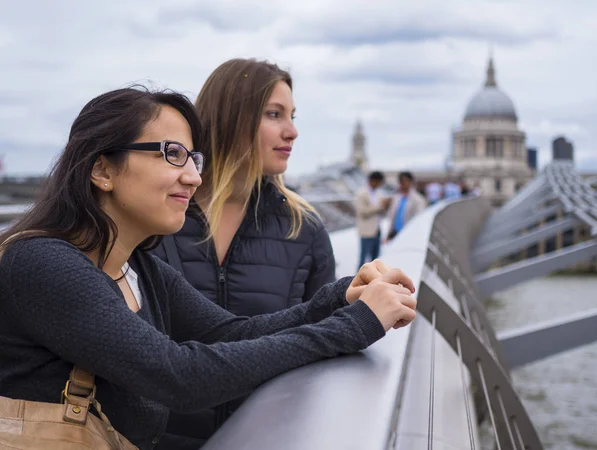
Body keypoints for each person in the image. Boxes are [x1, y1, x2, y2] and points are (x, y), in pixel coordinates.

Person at [0, 87, 418, 450]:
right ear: (102, 170)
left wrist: (340, 300)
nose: (194, 177)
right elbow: (179, 376)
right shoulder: (41, 263)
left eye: (194, 159)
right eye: (173, 155)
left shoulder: (138, 268)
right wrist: (354, 326)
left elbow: (231, 332)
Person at [151, 59, 337, 445]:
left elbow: (321, 347)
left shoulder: (304, 229)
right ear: (229, 118)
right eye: (274, 114)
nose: (292, 131)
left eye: (292, 115)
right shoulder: (156, 220)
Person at [354, 171, 390, 269]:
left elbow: (380, 211)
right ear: (373, 181)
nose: (379, 185)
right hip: (366, 231)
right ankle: (357, 281)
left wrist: (385, 206)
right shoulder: (361, 193)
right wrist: (380, 206)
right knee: (363, 259)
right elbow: (362, 211)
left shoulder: (378, 193)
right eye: (379, 182)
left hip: (376, 230)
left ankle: (372, 281)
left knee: (376, 260)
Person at [385, 171, 427, 242]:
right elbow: (391, 216)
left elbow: (420, 219)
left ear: (411, 182)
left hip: (409, 234)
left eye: (405, 181)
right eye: (401, 181)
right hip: (395, 233)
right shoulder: (396, 197)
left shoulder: (418, 199)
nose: (403, 183)